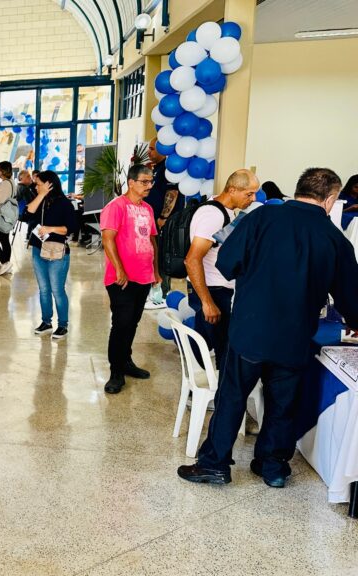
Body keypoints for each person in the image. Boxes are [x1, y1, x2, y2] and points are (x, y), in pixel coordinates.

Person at [178, 168, 358, 489]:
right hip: (295, 336)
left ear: (298, 188)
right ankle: (272, 466)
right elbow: (351, 301)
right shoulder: (335, 240)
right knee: (283, 403)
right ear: (330, 199)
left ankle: (215, 464)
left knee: (232, 396)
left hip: (250, 330)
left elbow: (225, 264)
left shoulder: (258, 219)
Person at [185, 170, 259, 371]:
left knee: (205, 338)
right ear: (232, 189)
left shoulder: (224, 210)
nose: (253, 199)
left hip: (216, 288)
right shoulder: (213, 215)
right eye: (249, 194)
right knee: (224, 349)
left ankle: (200, 386)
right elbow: (192, 259)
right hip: (213, 290)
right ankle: (219, 396)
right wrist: (207, 302)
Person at [100, 164, 161, 394]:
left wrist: (156, 271)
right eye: (144, 181)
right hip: (121, 278)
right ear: (131, 182)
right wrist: (119, 269)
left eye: (151, 181)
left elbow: (152, 240)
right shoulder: (116, 207)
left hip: (144, 275)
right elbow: (108, 240)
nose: (149, 186)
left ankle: (126, 361)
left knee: (133, 322)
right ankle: (116, 372)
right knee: (121, 323)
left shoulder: (147, 209)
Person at [21, 170, 78, 339]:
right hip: (39, 249)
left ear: (49, 184)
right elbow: (26, 215)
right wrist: (41, 194)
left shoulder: (64, 203)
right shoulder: (39, 201)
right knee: (43, 289)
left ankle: (63, 325)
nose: (35, 186)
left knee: (57, 289)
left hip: (57, 251)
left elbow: (72, 228)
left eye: (38, 184)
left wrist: (51, 229)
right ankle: (46, 321)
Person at [144, 137, 183, 307]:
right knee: (153, 254)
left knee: (161, 256)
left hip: (163, 223)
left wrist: (163, 218)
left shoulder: (169, 169)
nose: (149, 152)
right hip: (153, 221)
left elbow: (172, 194)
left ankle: (162, 293)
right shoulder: (157, 169)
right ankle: (155, 290)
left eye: (152, 149)